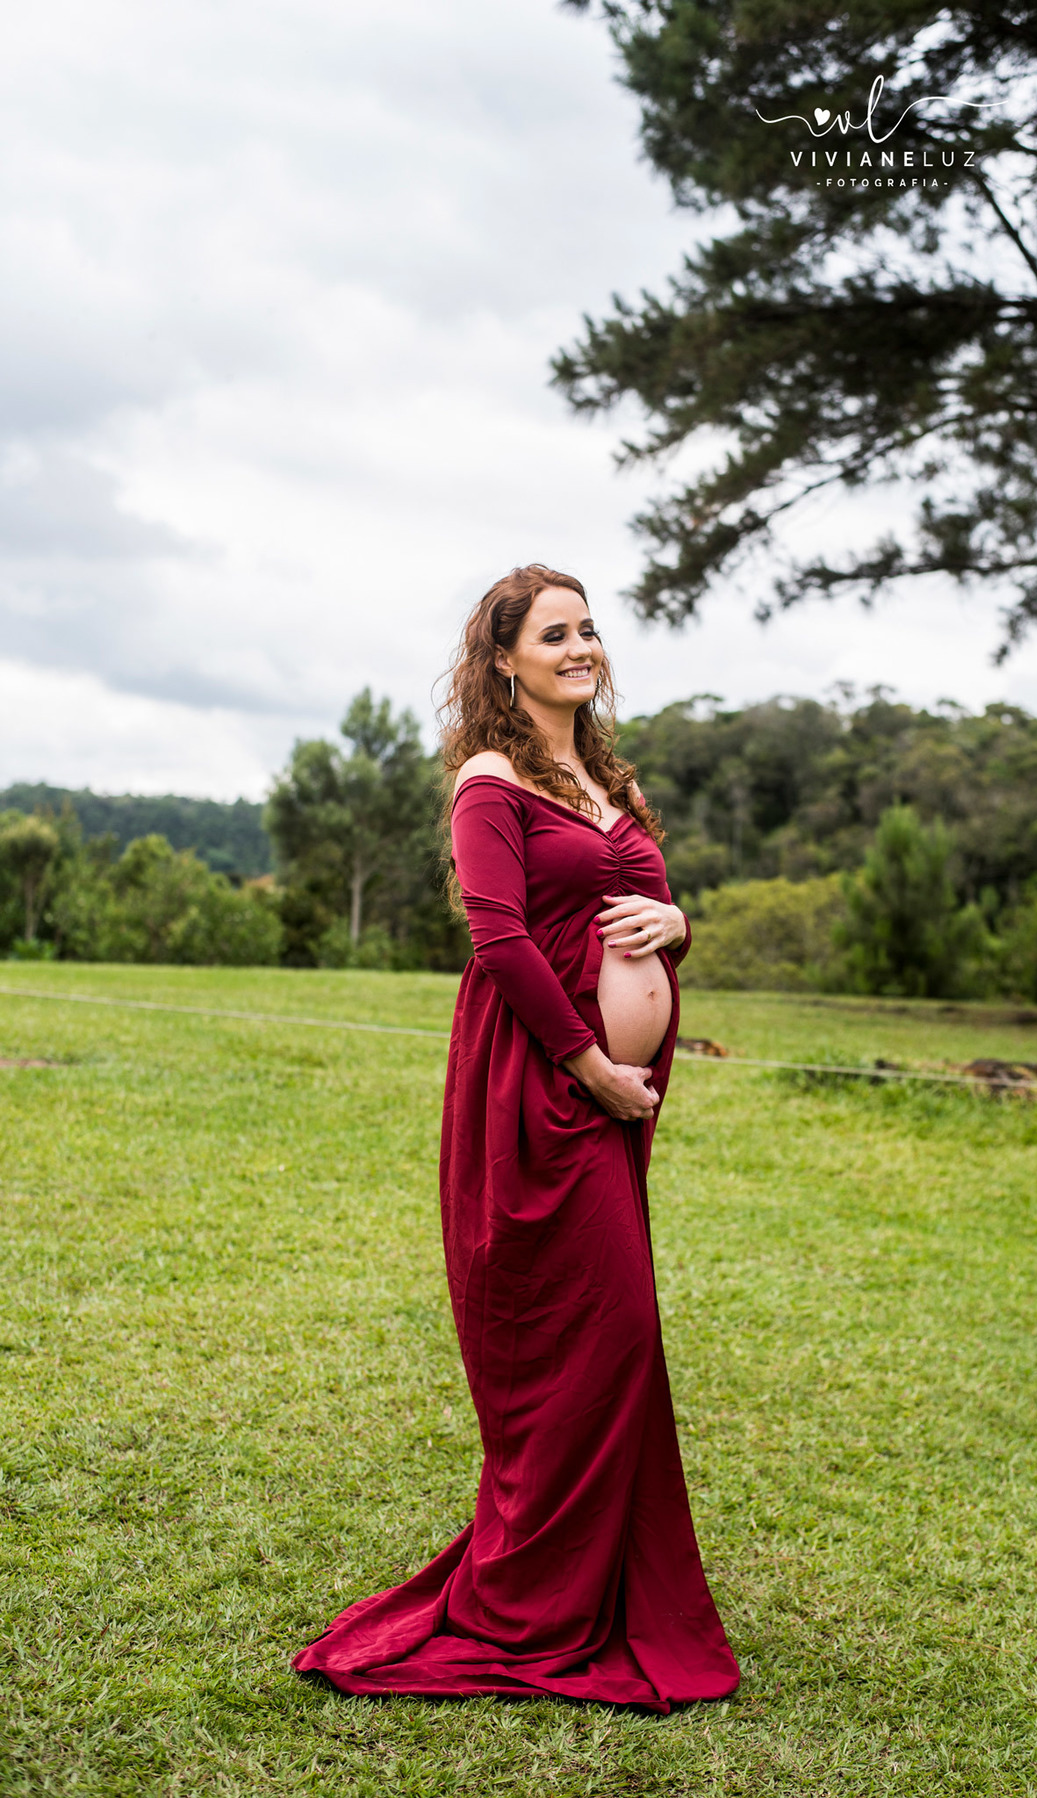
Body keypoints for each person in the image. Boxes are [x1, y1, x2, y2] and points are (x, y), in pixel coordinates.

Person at [293, 564, 739, 1712]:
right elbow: (499, 938)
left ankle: (596, 1587)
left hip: (613, 1098)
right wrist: (591, 1065)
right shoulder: (490, 783)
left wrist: (680, 924)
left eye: (589, 628)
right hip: (539, 1088)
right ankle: (531, 1603)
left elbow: (653, 907)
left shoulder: (604, 775)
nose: (581, 646)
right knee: (597, 1332)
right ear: (504, 660)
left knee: (612, 1338)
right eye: (555, 633)